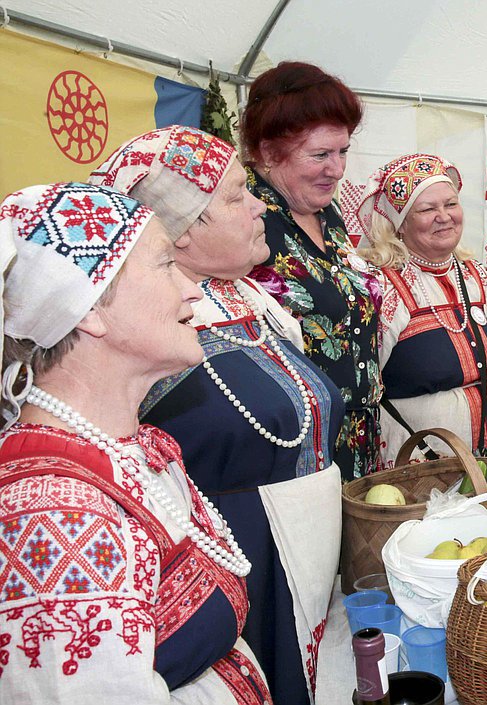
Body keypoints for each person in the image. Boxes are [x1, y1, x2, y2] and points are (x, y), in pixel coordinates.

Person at [88, 126, 346, 705]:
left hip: (307, 544)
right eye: (234, 197)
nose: (259, 205)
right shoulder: (148, 333)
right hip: (243, 557)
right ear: (177, 231)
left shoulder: (250, 298)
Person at [0, 183, 271, 702]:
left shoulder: (124, 451)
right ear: (88, 311)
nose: (193, 290)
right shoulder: (56, 515)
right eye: (166, 264)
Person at [240, 61, 382, 480]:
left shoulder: (328, 215)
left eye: (342, 152)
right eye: (320, 154)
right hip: (296, 447)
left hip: (359, 438)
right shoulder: (247, 219)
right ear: (268, 152)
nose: (336, 169)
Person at [355, 153, 487, 463]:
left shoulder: (476, 276)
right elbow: (364, 384)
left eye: (450, 204)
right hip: (424, 464)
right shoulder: (384, 286)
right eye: (427, 208)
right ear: (400, 224)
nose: (444, 216)